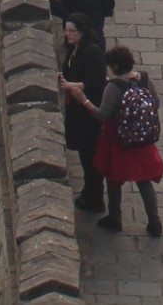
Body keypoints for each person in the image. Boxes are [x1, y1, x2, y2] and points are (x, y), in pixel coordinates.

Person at [77, 44, 163, 236]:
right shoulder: (145, 78)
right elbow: (155, 103)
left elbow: (102, 115)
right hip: (143, 140)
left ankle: (115, 218)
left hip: (119, 140)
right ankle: (155, 222)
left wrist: (84, 100)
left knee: (114, 178)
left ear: (116, 66)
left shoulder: (113, 87)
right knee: (144, 179)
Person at [58, 13, 107, 213]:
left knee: (90, 155)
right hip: (76, 111)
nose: (67, 34)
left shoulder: (92, 52)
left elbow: (94, 82)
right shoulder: (74, 49)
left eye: (72, 31)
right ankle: (89, 192)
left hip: (88, 113)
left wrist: (71, 85)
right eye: (66, 30)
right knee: (84, 154)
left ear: (82, 32)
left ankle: (95, 197)